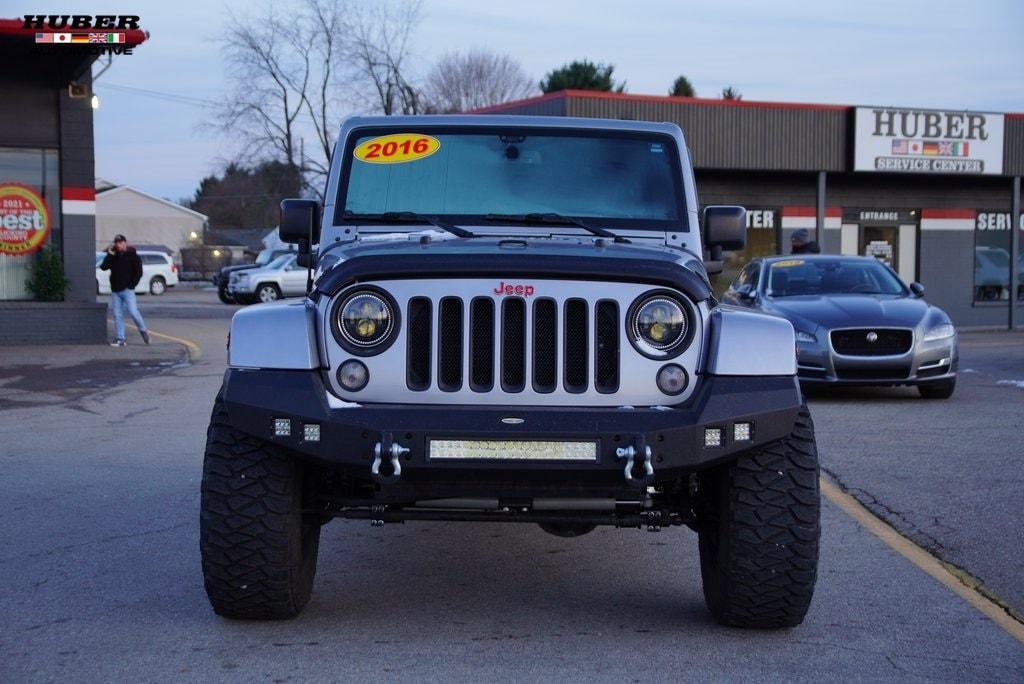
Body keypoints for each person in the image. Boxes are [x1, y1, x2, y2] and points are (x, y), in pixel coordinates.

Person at [99, 234, 150, 346]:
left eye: (121, 243)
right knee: (117, 315)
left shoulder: (132, 255)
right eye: (117, 243)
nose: (119, 245)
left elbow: (138, 272)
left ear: (125, 243)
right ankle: (120, 338)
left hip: (128, 290)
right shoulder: (114, 255)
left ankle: (143, 330)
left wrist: (132, 285)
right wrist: (110, 255)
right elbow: (103, 267)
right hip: (116, 290)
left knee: (133, 312)